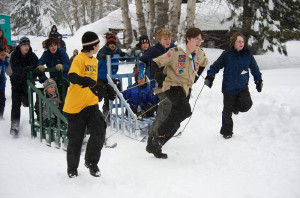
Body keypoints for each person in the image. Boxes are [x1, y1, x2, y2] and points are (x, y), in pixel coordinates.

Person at [146, 27, 209, 159]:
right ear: (188, 39)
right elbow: (155, 63)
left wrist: (197, 77)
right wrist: (158, 77)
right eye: (196, 39)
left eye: (200, 40)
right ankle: (159, 133)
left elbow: (204, 63)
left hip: (186, 88)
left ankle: (155, 144)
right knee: (185, 110)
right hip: (172, 85)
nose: (198, 42)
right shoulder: (175, 52)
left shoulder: (199, 53)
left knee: (177, 118)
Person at [63, 31, 115, 178]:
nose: (99, 46)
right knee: (76, 139)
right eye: (98, 43)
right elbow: (72, 76)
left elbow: (95, 82)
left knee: (100, 127)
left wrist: (106, 89)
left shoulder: (94, 61)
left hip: (90, 104)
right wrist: (89, 82)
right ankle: (72, 168)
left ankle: (91, 162)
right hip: (75, 107)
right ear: (92, 45)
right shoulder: (79, 59)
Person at [204, 32, 263, 139]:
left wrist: (258, 81)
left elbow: (255, 68)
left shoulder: (248, 55)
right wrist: (210, 77)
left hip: (242, 87)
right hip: (228, 88)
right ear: (234, 43)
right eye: (239, 41)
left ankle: (235, 108)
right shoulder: (227, 55)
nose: (241, 43)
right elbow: (215, 66)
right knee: (227, 112)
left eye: (243, 42)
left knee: (247, 104)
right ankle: (227, 132)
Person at [9, 37, 45, 136]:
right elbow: (16, 69)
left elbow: (37, 67)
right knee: (16, 104)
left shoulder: (32, 56)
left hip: (28, 83)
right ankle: (14, 125)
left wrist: (42, 76)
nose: (26, 47)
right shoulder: (15, 55)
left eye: (28, 45)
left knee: (27, 102)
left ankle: (24, 100)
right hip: (17, 82)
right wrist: (24, 70)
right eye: (24, 45)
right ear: (20, 46)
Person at [96, 33, 126, 117]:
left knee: (109, 97)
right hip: (101, 78)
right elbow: (99, 56)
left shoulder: (117, 50)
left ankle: (107, 115)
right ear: (107, 44)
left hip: (111, 77)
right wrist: (106, 55)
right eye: (110, 44)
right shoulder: (104, 50)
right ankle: (96, 113)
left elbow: (122, 57)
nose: (112, 46)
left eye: (114, 44)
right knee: (99, 96)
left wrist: (123, 55)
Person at [0, 47, 9, 119]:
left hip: (2, 84)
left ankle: (1, 115)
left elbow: (6, 66)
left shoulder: (5, 62)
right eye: (2, 55)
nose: (4, 56)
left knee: (2, 99)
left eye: (4, 55)